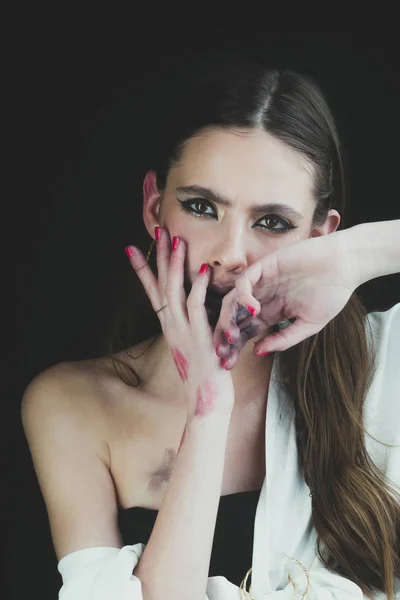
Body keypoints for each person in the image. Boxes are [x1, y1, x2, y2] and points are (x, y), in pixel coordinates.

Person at [21, 57, 400, 599]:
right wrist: (207, 411)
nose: (231, 255)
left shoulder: (383, 363)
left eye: (273, 223)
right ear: (155, 208)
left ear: (321, 235)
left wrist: (359, 253)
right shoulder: (76, 404)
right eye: (202, 207)